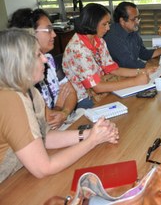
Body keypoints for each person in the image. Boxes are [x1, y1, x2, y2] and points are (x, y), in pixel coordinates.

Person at [0, 29, 119, 183]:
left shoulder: (30, 92)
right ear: (19, 63)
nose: (44, 59)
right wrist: (93, 141)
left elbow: (44, 137)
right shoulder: (10, 99)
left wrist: (90, 134)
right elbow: (43, 168)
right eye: (38, 55)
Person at [62, 3, 151, 109]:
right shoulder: (78, 48)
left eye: (108, 23)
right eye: (104, 24)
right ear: (92, 23)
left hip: (102, 89)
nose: (108, 28)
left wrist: (142, 71)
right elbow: (97, 88)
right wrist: (135, 81)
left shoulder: (99, 41)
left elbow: (113, 69)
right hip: (84, 98)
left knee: (136, 103)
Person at [8, 8, 78, 129]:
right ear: (30, 32)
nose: (54, 34)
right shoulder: (20, 72)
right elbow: (46, 120)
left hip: (63, 123)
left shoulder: (49, 60)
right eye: (48, 30)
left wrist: (64, 113)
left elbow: (71, 93)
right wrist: (59, 106)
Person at [104, 2, 161, 72]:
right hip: (120, 76)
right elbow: (129, 63)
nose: (137, 22)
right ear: (122, 21)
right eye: (134, 19)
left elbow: (143, 53)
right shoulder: (112, 36)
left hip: (133, 72)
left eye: (138, 18)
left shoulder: (132, 31)